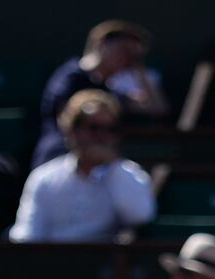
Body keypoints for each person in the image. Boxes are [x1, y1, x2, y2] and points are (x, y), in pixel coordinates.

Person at [9, 89, 155, 243]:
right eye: (93, 128)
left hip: (103, 263)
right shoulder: (44, 177)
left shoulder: (129, 173)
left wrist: (113, 166)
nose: (101, 137)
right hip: (50, 262)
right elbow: (28, 232)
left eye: (110, 129)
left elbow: (141, 215)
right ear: (72, 130)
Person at [33, 20, 168, 168]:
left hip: (98, 163)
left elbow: (156, 107)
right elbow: (65, 120)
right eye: (123, 51)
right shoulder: (71, 76)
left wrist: (138, 66)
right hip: (60, 156)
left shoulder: (109, 90)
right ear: (102, 43)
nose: (126, 60)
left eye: (132, 57)